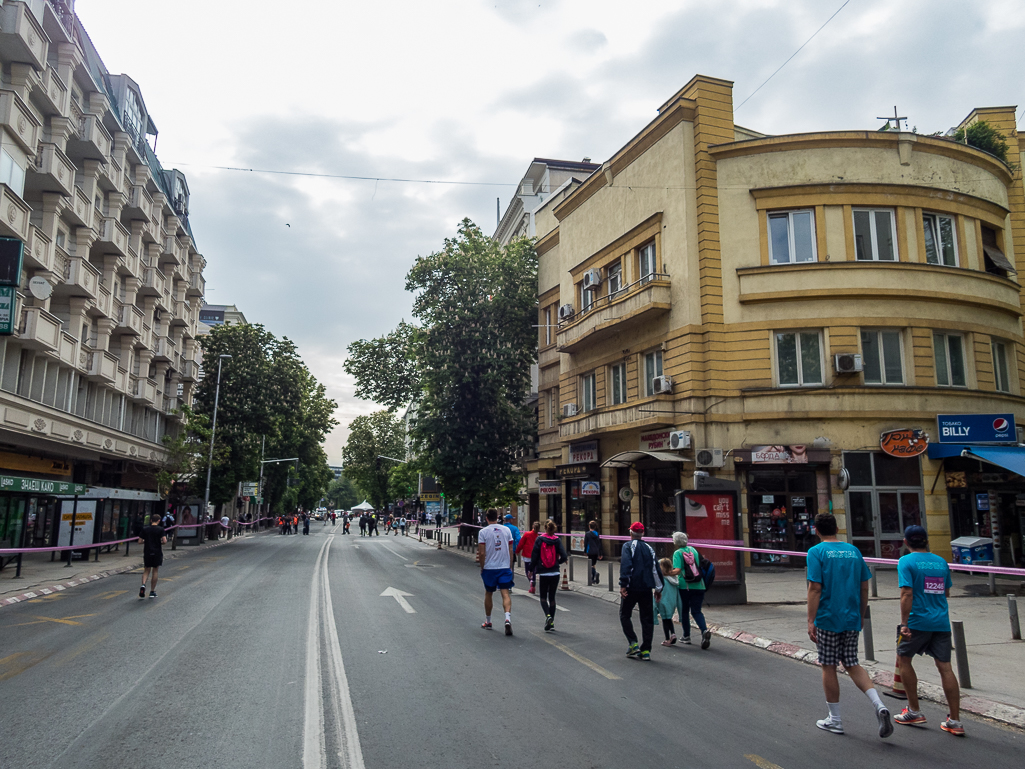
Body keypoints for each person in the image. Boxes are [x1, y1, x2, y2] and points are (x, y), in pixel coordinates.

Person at [806, 512, 892, 738]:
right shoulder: (854, 551)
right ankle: (879, 704)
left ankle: (835, 720)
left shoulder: (816, 552)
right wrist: (861, 615)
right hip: (852, 617)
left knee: (828, 665)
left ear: (816, 530)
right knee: (852, 662)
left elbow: (815, 588)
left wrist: (810, 620)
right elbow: (864, 587)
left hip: (828, 618)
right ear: (837, 528)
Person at [893, 525, 963, 736]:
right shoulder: (941, 562)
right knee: (945, 668)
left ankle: (914, 710)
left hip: (916, 622)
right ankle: (955, 721)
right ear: (927, 541)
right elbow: (946, 592)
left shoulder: (906, 561)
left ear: (906, 542)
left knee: (904, 658)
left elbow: (907, 593)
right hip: (940, 622)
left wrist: (904, 623)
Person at [619, 522, 662, 661]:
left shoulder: (628, 546)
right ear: (643, 533)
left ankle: (633, 643)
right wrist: (658, 588)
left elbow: (626, 565)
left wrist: (623, 584)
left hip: (632, 587)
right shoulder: (649, 548)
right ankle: (646, 650)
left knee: (625, 614)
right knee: (647, 619)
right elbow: (655, 569)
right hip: (646, 588)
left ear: (631, 533)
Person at [667, 532, 711, 649]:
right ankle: (704, 630)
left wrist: (666, 573)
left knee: (685, 611)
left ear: (676, 542)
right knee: (697, 611)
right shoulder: (693, 550)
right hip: (699, 585)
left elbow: (677, 570)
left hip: (685, 586)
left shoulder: (678, 553)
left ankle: (686, 636)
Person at [477, 508, 515, 635]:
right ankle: (507, 618)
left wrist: (482, 567)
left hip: (490, 567)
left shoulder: (483, 532)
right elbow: (511, 550)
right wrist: (510, 566)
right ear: (498, 517)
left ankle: (488, 621)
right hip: (504, 566)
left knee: (489, 593)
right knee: (505, 594)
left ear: (486, 518)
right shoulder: (507, 530)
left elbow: (482, 553)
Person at [529, 519, 567, 631]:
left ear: (544, 528)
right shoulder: (557, 540)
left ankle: (548, 616)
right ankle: (552, 623)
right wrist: (557, 563)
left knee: (543, 598)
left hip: (544, 572)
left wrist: (532, 569)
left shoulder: (539, 539)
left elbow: (534, 556)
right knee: (552, 598)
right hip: (555, 572)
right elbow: (564, 556)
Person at [139, 513, 167, 599]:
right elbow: (164, 541)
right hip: (157, 552)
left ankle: (143, 585)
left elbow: (139, 541)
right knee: (155, 570)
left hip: (147, 551)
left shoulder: (145, 529)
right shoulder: (161, 529)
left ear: (151, 520)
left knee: (146, 570)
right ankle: (152, 591)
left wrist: (146, 541)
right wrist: (160, 542)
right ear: (159, 521)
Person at [655, 558, 682, 647]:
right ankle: (673, 634)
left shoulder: (663, 580)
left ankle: (667, 639)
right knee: (669, 618)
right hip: (672, 603)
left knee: (664, 620)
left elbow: (659, 590)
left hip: (663, 602)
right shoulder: (674, 579)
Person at [517, 522, 540, 594]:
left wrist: (518, 551)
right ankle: (533, 580)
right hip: (536, 556)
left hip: (527, 554)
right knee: (534, 569)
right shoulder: (539, 536)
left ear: (533, 526)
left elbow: (521, 543)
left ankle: (531, 582)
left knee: (527, 570)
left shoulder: (527, 534)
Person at [584, 520, 602, 585]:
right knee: (593, 564)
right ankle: (593, 577)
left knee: (590, 565)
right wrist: (600, 553)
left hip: (590, 551)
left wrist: (585, 551)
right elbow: (599, 544)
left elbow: (586, 543)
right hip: (596, 551)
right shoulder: (597, 534)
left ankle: (594, 574)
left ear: (589, 526)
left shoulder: (587, 534)